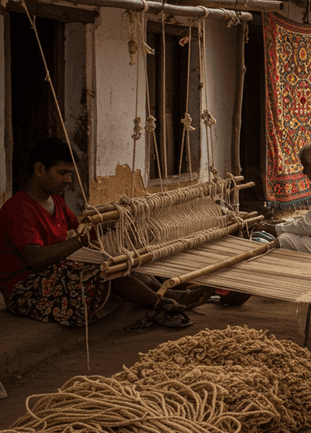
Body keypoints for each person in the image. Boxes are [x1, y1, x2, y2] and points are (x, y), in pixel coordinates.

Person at [0, 138, 203, 328]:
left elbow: (83, 224)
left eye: (70, 174)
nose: (68, 180)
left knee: (121, 260)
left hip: (53, 274)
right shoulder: (19, 209)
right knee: (104, 270)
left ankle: (172, 294)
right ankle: (161, 302)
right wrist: (85, 239)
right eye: (63, 173)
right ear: (39, 169)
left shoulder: (55, 201)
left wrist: (112, 218)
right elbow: (35, 258)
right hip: (27, 289)